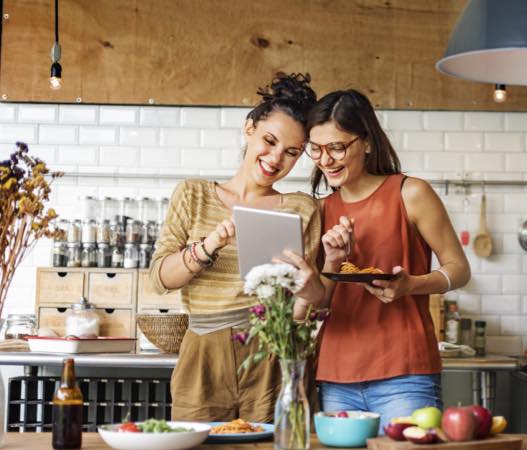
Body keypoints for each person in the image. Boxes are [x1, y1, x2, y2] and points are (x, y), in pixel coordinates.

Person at [149, 73, 324, 422]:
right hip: (203, 351)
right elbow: (160, 279)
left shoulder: (303, 208)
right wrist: (209, 245)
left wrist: (308, 288)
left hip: (272, 353)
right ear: (249, 129)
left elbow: (306, 305)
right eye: (269, 141)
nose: (276, 158)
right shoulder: (193, 194)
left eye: (291, 152)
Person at [297, 89, 470, 430]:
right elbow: (320, 304)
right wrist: (332, 261)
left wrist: (412, 285)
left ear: (367, 142)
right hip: (336, 375)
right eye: (315, 149)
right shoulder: (320, 211)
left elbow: (459, 269)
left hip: (404, 373)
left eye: (336, 147)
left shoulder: (411, 193)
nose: (325, 159)